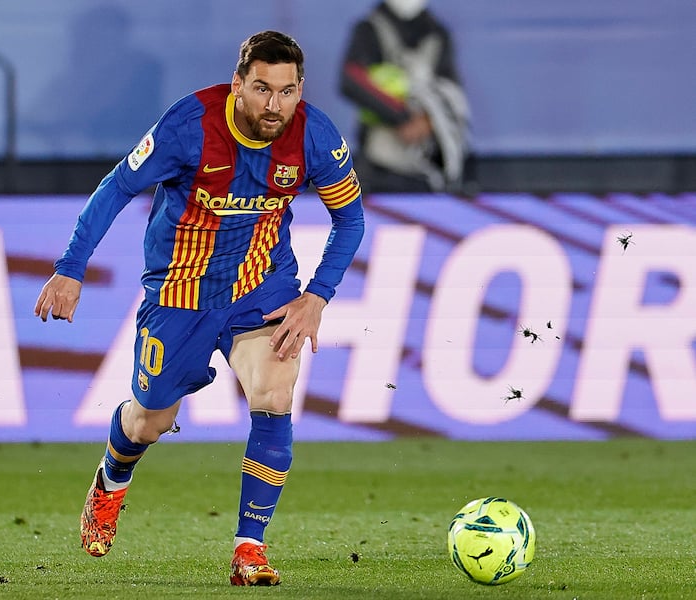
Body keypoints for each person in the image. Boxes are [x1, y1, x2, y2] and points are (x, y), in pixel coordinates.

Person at [34, 31, 364, 587]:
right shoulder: (189, 125)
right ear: (239, 84)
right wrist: (71, 267)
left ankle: (249, 548)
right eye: (261, 89)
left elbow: (350, 220)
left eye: (286, 92)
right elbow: (117, 187)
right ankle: (112, 479)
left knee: (274, 392)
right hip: (179, 292)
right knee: (151, 417)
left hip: (263, 286)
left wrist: (316, 295)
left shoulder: (315, 135)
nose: (273, 105)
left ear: (300, 90)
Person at [339, 0, 470, 193]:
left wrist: (427, 120)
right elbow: (351, 79)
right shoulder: (369, 28)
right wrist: (402, 117)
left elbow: (451, 91)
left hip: (426, 163)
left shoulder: (436, 32)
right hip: (377, 163)